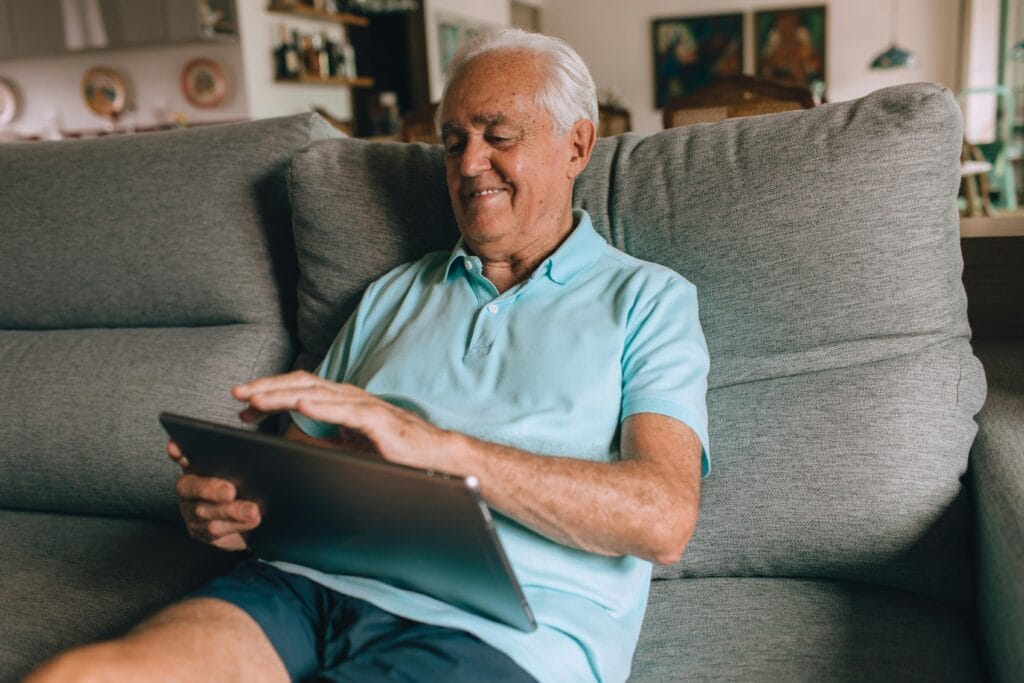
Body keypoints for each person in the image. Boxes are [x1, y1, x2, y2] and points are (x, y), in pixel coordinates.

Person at [28, 28, 709, 683]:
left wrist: (438, 448)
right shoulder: (394, 293)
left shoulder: (649, 300)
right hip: (302, 589)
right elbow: (295, 477)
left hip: (504, 633)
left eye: (499, 137)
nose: (470, 165)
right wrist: (237, 512)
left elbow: (663, 518)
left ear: (577, 145)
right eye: (452, 143)